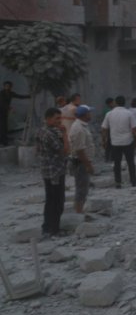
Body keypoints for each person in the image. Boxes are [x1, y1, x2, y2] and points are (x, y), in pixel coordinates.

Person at [36, 107, 69, 237]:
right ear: (48, 119)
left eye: (60, 118)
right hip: (55, 170)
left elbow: (37, 150)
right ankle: (54, 229)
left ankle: (47, 227)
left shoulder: (42, 131)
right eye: (56, 118)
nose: (59, 121)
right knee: (57, 201)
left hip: (47, 170)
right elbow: (64, 150)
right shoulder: (49, 134)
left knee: (50, 200)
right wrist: (65, 135)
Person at [101, 95, 136, 188]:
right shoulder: (129, 113)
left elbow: (104, 128)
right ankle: (133, 181)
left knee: (117, 163)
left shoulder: (109, 114)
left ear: (115, 103)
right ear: (124, 103)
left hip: (115, 142)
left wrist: (104, 140)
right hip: (128, 141)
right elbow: (134, 128)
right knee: (131, 162)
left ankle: (118, 182)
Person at [68, 105, 95, 214]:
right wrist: (88, 165)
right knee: (81, 190)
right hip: (81, 162)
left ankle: (78, 210)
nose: (90, 115)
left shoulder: (82, 126)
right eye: (89, 113)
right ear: (85, 115)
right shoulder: (78, 128)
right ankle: (78, 212)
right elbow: (80, 150)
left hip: (81, 161)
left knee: (82, 188)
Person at [0, 81, 30, 146]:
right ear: (4, 86)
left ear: (10, 87)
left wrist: (29, 96)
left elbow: (20, 96)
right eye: (6, 86)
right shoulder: (1, 93)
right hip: (1, 110)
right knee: (2, 126)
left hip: (5, 112)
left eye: (8, 86)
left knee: (4, 126)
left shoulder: (11, 93)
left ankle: (4, 139)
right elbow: (2, 103)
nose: (7, 87)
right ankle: (3, 141)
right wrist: (10, 108)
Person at [101, 97, 114, 162]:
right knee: (110, 143)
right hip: (109, 128)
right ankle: (110, 158)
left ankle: (108, 157)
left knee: (109, 143)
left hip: (108, 128)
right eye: (113, 102)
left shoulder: (106, 110)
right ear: (110, 103)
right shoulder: (109, 111)